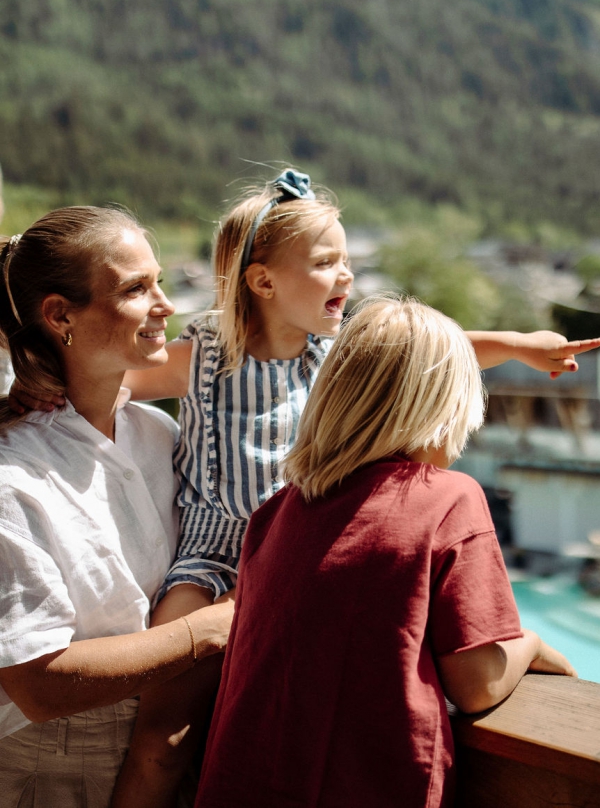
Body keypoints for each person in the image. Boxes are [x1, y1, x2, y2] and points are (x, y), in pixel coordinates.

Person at [10, 171, 600, 808]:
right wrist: (27, 390)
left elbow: (429, 350)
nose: (346, 275)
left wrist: (516, 346)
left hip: (293, 552)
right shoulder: (206, 355)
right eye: (326, 262)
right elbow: (100, 387)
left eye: (345, 260)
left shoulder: (329, 355)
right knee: (166, 737)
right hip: (214, 554)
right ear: (263, 281)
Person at [194, 296, 577, 808]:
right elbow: (478, 684)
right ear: (446, 407)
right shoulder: (448, 498)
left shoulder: (280, 510)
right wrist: (531, 644)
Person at [0, 206, 234, 808]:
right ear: (60, 315)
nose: (166, 304)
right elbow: (38, 684)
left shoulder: (157, 434)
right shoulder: (12, 476)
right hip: (48, 773)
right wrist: (207, 631)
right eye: (136, 288)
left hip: (170, 751)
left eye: (159, 282)